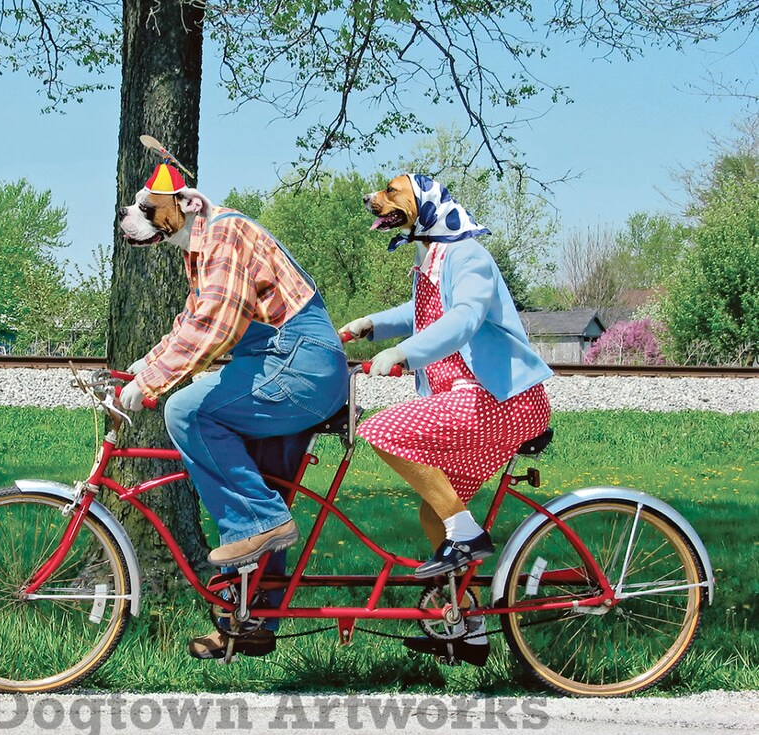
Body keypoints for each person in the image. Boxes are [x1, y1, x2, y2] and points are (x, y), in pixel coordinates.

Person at [117, 149, 348, 659]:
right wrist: (143, 365)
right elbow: (191, 322)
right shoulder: (201, 245)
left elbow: (216, 321)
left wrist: (154, 382)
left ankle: (262, 524)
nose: (136, 217)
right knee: (253, 485)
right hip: (281, 361)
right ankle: (251, 621)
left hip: (297, 361)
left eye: (149, 209)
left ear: (189, 205)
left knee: (188, 412)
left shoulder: (223, 234)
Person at [341, 173, 553, 665]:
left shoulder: (468, 254)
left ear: (427, 204)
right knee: (430, 512)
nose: (378, 200)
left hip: (498, 399)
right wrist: (365, 326)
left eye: (393, 193)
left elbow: (463, 319)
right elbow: (421, 312)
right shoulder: (433, 257)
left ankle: (467, 533)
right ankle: (467, 624)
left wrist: (403, 356)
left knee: (382, 429)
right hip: (471, 402)